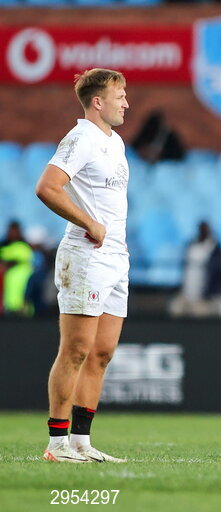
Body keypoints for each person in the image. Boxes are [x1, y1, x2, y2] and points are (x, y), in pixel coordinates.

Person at [34, 68, 131, 463]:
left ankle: (81, 442)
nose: (126, 102)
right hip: (86, 254)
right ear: (98, 102)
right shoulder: (81, 138)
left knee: (102, 353)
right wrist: (88, 222)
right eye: (120, 95)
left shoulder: (116, 141)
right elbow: (47, 186)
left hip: (116, 256)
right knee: (75, 348)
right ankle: (56, 443)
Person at [168, 221, 221, 318]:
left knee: (201, 314)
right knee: (175, 308)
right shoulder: (191, 246)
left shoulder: (216, 250)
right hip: (187, 294)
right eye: (201, 228)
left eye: (205, 229)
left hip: (204, 297)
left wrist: (212, 293)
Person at [1, 221, 35, 317]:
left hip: (23, 302)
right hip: (8, 302)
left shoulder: (24, 247)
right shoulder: (4, 245)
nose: (13, 233)